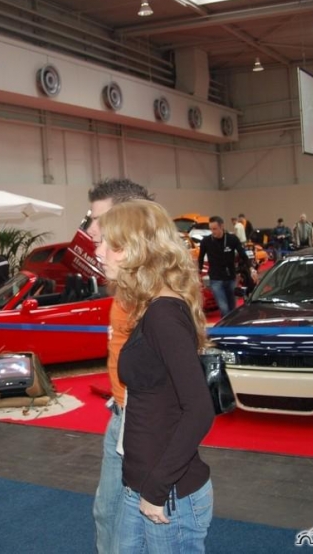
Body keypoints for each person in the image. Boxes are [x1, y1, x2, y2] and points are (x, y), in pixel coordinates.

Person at [96, 199, 215, 553]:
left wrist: (157, 488)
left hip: (168, 494)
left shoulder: (163, 314)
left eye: (111, 244)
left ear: (138, 250)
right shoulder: (151, 308)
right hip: (143, 484)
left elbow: (199, 410)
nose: (99, 252)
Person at [85, 177, 153, 554]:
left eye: (98, 219)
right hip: (123, 412)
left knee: (126, 523)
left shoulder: (152, 291)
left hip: (139, 420)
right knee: (108, 513)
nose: (91, 230)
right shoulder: (127, 282)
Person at [198, 216, 249, 317]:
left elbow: (243, 255)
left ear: (222, 226)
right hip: (216, 279)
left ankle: (231, 325)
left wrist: (246, 270)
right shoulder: (206, 241)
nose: (213, 231)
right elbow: (201, 258)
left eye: (215, 229)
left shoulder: (232, 239)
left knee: (232, 307)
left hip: (230, 278)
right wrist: (199, 273)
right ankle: (225, 325)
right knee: (223, 307)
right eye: (211, 229)